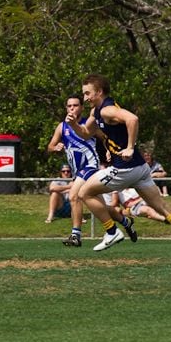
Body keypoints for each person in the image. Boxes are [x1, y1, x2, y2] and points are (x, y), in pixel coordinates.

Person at [68, 74, 171, 257]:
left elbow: (133, 119)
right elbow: (85, 134)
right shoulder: (96, 112)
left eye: (87, 93)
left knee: (84, 192)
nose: (85, 98)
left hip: (125, 169)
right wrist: (75, 125)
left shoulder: (107, 110)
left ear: (98, 92)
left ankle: (112, 232)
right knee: (160, 206)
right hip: (140, 169)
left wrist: (130, 147)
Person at [45, 94, 100, 247]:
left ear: (82, 107)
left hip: (90, 166)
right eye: (69, 106)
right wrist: (55, 147)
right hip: (78, 172)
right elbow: (50, 146)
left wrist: (110, 150)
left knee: (74, 196)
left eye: (75, 105)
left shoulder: (88, 124)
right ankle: (123, 222)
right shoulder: (62, 127)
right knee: (98, 204)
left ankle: (76, 234)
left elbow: (104, 137)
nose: (72, 108)